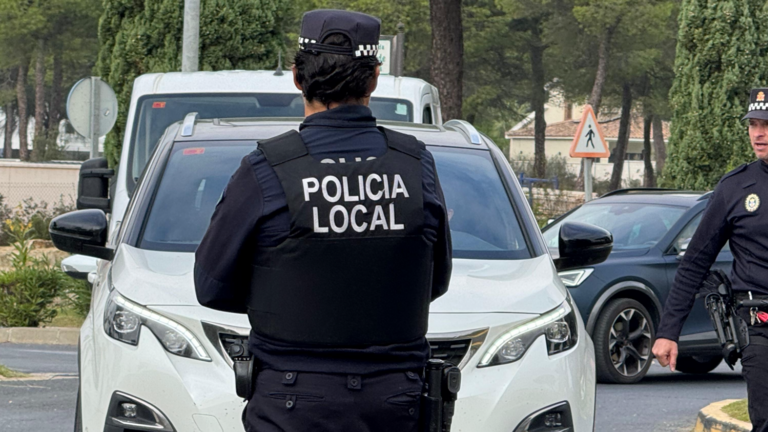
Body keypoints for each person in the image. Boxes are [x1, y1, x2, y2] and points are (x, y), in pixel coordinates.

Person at [193, 9, 452, 432]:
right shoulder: (415, 165)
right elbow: (435, 281)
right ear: (374, 78)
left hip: (291, 402)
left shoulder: (266, 169)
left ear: (297, 76)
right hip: (395, 403)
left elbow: (210, 287)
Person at [653, 88, 768, 432]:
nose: (758, 133)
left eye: (766, 125)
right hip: (758, 321)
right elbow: (694, 262)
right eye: (753, 124)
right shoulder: (735, 188)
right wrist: (668, 331)